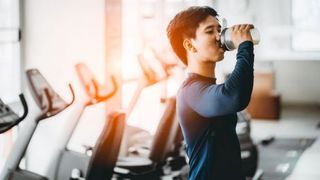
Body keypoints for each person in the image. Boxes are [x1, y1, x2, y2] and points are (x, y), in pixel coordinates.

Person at [166, 6, 255, 180]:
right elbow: (234, 97)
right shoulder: (190, 91)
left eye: (219, 30)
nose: (219, 37)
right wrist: (245, 46)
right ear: (190, 44)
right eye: (209, 31)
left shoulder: (207, 86)